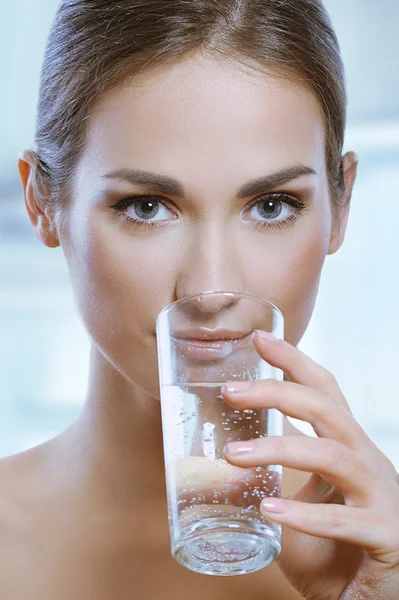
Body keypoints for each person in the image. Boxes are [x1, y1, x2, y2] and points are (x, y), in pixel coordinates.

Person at [3, 0, 398, 597]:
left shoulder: (380, 553)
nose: (211, 289)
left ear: (340, 208)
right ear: (43, 204)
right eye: (145, 207)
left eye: (271, 206)